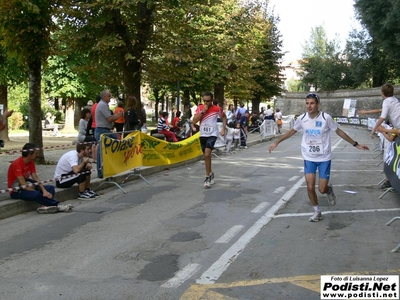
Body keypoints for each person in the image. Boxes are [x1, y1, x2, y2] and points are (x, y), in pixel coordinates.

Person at [268, 93, 369, 222]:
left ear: (318, 104)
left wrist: (356, 144)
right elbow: (292, 131)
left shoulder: (326, 118)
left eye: (312, 103)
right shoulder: (302, 118)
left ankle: (328, 189)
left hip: (324, 158)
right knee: (310, 186)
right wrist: (277, 142)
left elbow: (339, 131)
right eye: (307, 103)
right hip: (309, 156)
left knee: (322, 189)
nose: (309, 106)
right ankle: (317, 211)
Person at [7, 143, 73, 214]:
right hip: (17, 190)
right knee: (36, 194)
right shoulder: (17, 164)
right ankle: (57, 205)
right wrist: (38, 192)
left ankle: (45, 205)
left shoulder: (31, 163)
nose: (37, 155)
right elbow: (23, 184)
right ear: (30, 155)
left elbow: (36, 179)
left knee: (50, 188)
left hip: (27, 186)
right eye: (36, 153)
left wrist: (44, 190)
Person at [192, 91, 227, 188]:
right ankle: (210, 173)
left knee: (207, 154)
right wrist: (203, 111)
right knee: (206, 156)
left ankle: (207, 177)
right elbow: (194, 121)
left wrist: (224, 128)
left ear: (212, 100)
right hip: (203, 134)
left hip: (212, 134)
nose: (206, 103)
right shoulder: (200, 108)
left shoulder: (217, 109)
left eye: (208, 101)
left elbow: (224, 117)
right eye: (204, 101)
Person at [94, 90, 124, 178]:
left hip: (106, 130)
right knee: (101, 152)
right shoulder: (102, 105)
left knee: (116, 144)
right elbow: (110, 119)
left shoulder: (104, 104)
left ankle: (111, 167)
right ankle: (101, 172)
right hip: (102, 130)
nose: (110, 98)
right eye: (109, 96)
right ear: (103, 97)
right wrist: (119, 115)